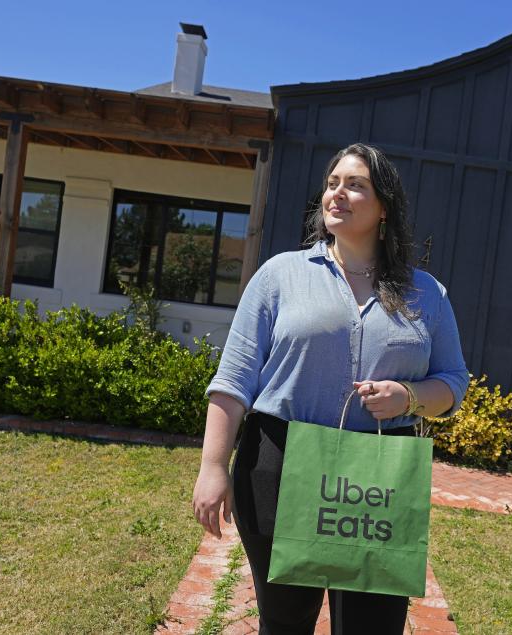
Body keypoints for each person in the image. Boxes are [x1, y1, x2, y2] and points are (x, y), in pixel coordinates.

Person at [192, 142, 468, 634]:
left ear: (384, 206)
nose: (337, 193)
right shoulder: (281, 275)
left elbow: (452, 383)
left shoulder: (426, 292)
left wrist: (408, 396)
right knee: (285, 624)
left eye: (355, 184)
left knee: (372, 627)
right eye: (332, 183)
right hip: (279, 464)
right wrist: (213, 467)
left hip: (378, 474)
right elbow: (233, 381)